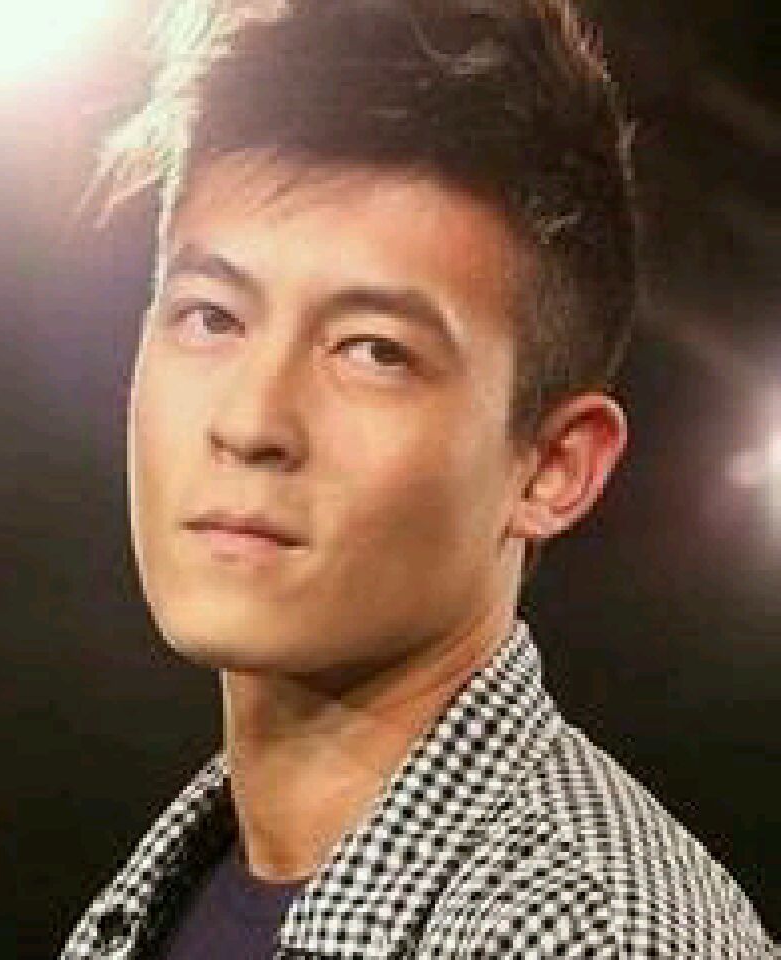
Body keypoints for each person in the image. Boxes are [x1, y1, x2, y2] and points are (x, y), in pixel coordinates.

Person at [59, 0, 775, 956]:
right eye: (212, 317)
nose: (251, 422)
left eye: (374, 351)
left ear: (554, 466)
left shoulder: (590, 935)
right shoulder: (159, 904)